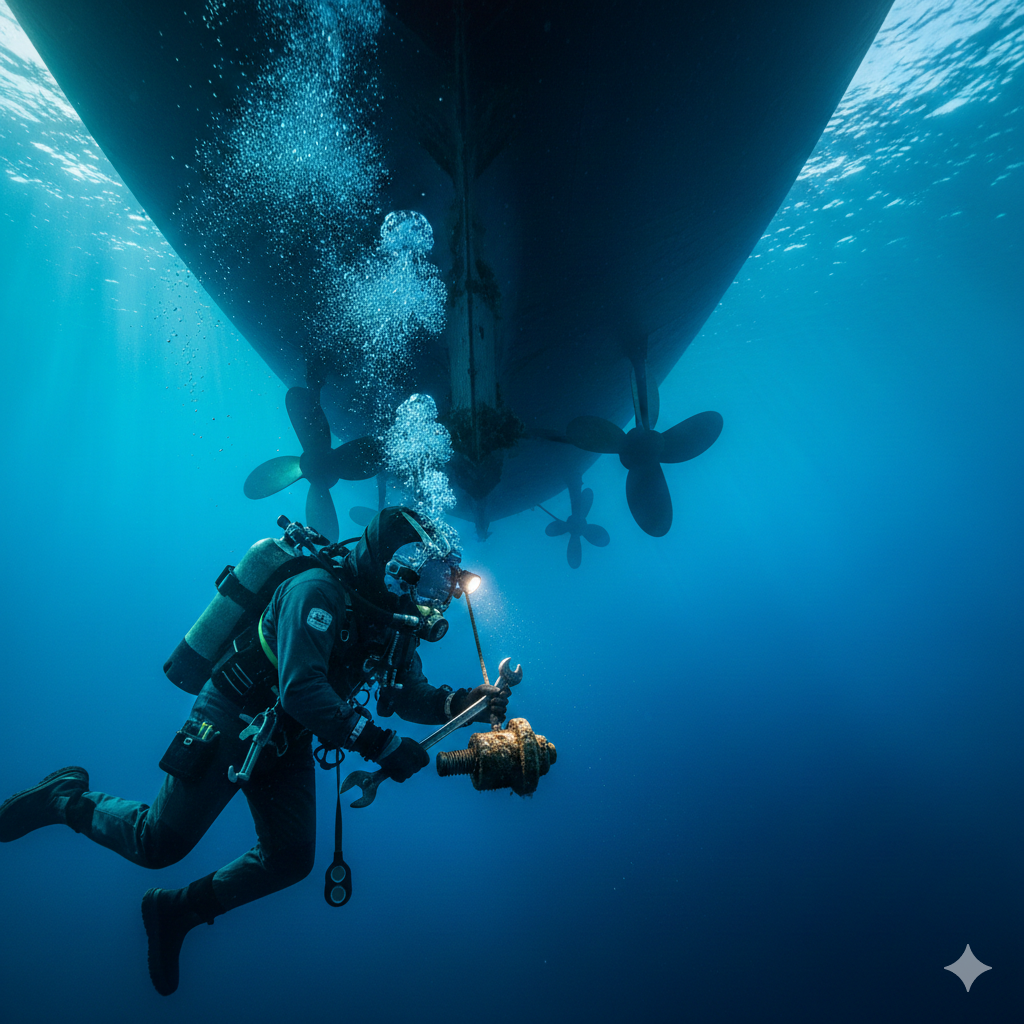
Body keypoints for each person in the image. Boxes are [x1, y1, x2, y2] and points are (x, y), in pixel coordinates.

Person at [0, 507, 506, 995]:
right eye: (431, 576)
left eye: (448, 580)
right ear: (394, 561)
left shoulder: (396, 623)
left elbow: (405, 695)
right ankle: (64, 798)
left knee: (289, 859)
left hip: (287, 737)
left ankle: (177, 910)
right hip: (232, 714)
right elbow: (302, 690)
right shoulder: (318, 591)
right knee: (157, 845)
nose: (439, 596)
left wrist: (463, 703)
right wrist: (380, 744)